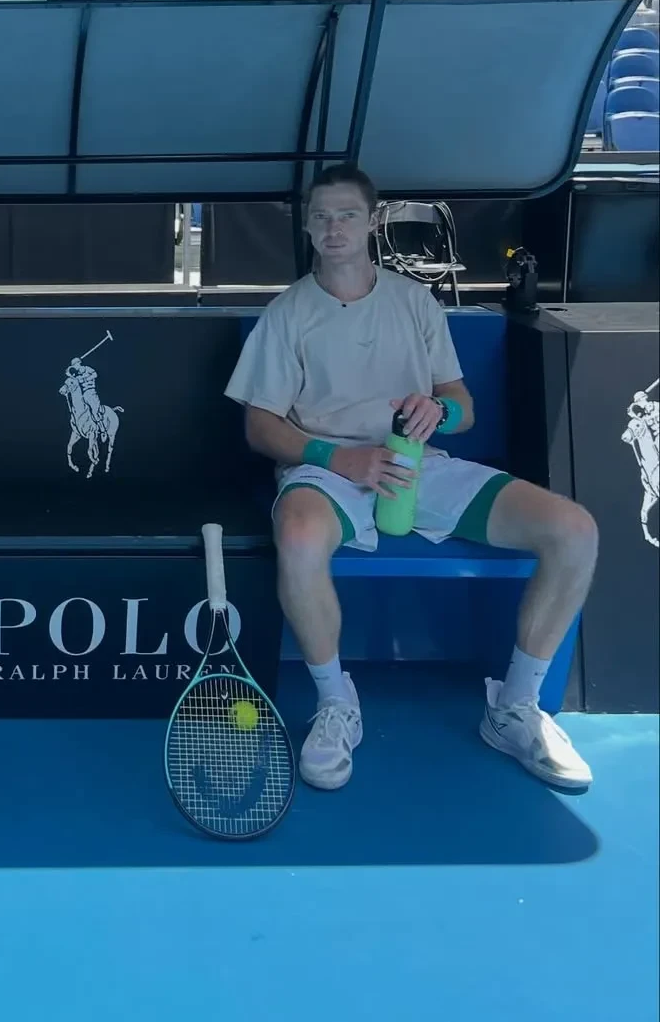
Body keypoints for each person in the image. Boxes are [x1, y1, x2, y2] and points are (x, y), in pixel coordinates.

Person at [224, 164, 597, 794]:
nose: (333, 228)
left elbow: (462, 405)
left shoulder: (415, 301)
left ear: (371, 221)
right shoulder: (287, 313)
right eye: (321, 216)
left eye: (346, 215)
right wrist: (337, 458)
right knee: (299, 536)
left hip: (416, 464)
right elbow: (260, 426)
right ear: (307, 226)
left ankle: (515, 709)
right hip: (326, 470)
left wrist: (439, 412)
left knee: (574, 530)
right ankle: (336, 703)